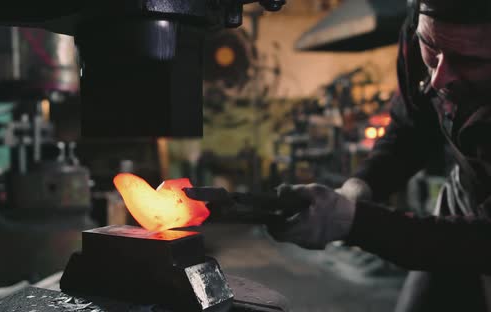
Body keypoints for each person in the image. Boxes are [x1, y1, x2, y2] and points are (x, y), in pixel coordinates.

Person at [185, 0, 491, 311]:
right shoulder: (425, 35)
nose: (438, 78)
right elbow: (409, 130)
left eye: (470, 61)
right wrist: (357, 189)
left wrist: (350, 221)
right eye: (431, 49)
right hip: (465, 190)